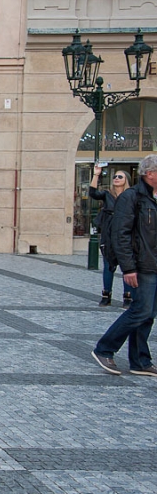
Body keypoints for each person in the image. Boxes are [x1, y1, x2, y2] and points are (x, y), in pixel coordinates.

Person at [92, 154, 157, 377]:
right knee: (140, 311)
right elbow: (121, 235)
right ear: (150, 174)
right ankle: (104, 348)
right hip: (141, 265)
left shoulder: (153, 198)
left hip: (154, 263)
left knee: (148, 314)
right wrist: (128, 268)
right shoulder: (132, 198)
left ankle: (140, 361)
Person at [90, 166, 133, 307]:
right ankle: (106, 295)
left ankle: (128, 297)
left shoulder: (132, 195)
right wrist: (96, 175)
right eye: (115, 176)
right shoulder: (108, 194)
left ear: (126, 180)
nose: (116, 178)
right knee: (108, 266)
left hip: (125, 233)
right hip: (109, 233)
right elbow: (93, 193)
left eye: (120, 177)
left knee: (127, 266)